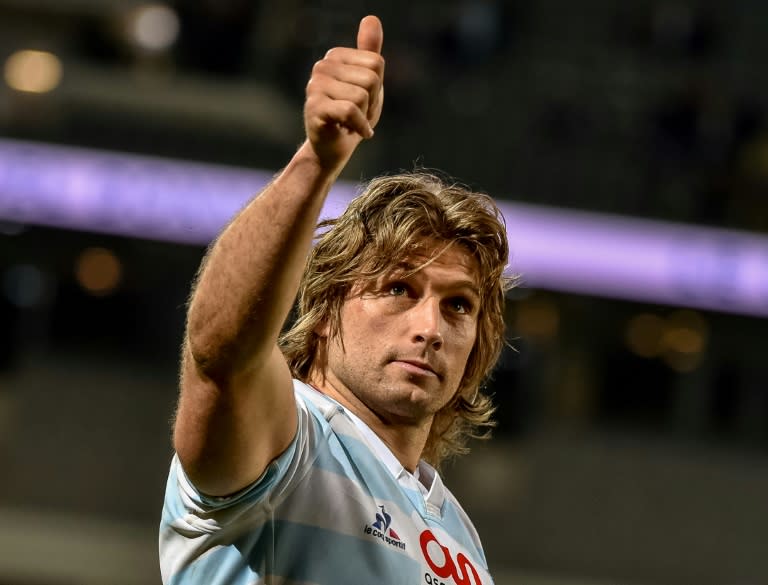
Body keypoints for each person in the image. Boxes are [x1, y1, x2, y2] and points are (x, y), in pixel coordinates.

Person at [159, 14, 510, 585]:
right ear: (324, 313)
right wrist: (316, 163)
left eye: (458, 305)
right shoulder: (292, 442)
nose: (430, 327)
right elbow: (220, 352)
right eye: (398, 288)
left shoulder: (460, 539)